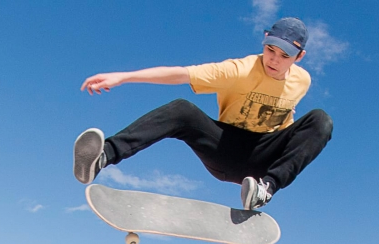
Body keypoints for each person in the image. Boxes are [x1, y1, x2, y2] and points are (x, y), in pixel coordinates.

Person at [73, 17, 333, 211]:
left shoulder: (303, 81)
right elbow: (182, 73)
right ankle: (102, 156)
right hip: (226, 150)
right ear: (264, 40)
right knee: (182, 110)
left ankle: (265, 191)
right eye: (270, 50)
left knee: (321, 120)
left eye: (284, 55)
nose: (274, 61)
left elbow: (292, 123)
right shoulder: (239, 70)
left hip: (263, 160)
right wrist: (124, 77)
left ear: (299, 57)